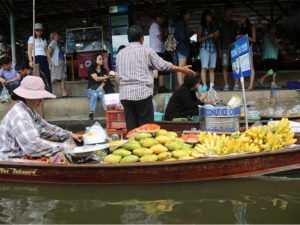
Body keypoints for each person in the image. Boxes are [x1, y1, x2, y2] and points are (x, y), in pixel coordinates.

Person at [116, 25, 196, 132]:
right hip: (142, 94)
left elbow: (118, 75)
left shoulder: (120, 54)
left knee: (132, 130)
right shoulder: (147, 51)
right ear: (142, 38)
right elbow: (163, 65)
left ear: (128, 39)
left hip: (125, 96)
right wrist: (182, 69)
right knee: (147, 131)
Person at [0, 75, 82, 160]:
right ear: (27, 96)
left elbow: (46, 127)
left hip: (23, 154)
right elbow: (33, 146)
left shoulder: (29, 111)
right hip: (10, 161)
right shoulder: (20, 115)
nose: (41, 99)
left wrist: (69, 134)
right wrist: (65, 147)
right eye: (37, 96)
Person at [87, 54, 114, 120]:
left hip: (100, 89)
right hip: (91, 89)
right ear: (95, 60)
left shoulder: (103, 69)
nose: (102, 60)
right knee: (95, 94)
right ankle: (91, 112)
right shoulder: (91, 69)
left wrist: (100, 87)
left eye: (102, 59)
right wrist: (106, 77)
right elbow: (96, 78)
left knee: (101, 94)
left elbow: (104, 81)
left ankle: (107, 112)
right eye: (100, 59)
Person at [198, 9, 219, 90]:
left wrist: (216, 36)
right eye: (209, 15)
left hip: (213, 49)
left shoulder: (212, 26)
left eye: (211, 16)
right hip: (204, 48)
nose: (210, 17)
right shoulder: (201, 27)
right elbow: (198, 39)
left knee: (212, 68)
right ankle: (204, 86)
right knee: (204, 67)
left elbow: (216, 40)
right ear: (205, 17)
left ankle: (212, 86)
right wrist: (209, 36)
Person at [28, 23, 52, 92]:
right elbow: (29, 50)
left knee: (46, 75)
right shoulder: (31, 38)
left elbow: (46, 50)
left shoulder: (43, 39)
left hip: (44, 59)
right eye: (37, 30)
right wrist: (30, 60)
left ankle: (47, 91)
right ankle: (39, 92)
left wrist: (50, 60)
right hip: (36, 58)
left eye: (40, 30)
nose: (39, 32)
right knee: (38, 75)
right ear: (34, 31)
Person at [173, 8, 195, 86]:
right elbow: (183, 37)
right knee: (181, 67)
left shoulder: (180, 23)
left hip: (181, 48)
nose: (190, 15)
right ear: (184, 15)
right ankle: (181, 85)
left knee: (182, 67)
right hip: (182, 48)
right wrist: (191, 33)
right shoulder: (181, 23)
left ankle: (182, 84)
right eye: (189, 14)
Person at [219, 4, 238, 91]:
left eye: (232, 10)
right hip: (224, 47)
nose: (231, 12)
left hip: (234, 47)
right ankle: (226, 84)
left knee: (235, 66)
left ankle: (236, 84)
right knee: (225, 66)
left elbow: (236, 36)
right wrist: (219, 49)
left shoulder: (234, 23)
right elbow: (219, 37)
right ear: (226, 11)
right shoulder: (221, 23)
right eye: (230, 10)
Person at [149, 12, 169, 93]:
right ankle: (158, 87)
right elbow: (160, 37)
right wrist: (167, 36)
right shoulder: (155, 25)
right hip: (156, 51)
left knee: (160, 69)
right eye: (162, 18)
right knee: (158, 70)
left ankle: (161, 87)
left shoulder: (157, 26)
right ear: (158, 18)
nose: (163, 20)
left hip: (158, 50)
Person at [236, 15, 256, 90]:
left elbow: (254, 40)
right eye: (240, 18)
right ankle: (242, 85)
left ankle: (251, 85)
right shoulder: (240, 28)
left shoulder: (252, 27)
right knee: (241, 67)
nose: (240, 19)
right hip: (241, 48)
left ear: (246, 18)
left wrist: (244, 36)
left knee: (251, 66)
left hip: (248, 47)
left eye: (242, 17)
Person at [258, 24, 281, 88]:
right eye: (274, 28)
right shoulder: (271, 34)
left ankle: (273, 83)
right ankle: (262, 79)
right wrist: (280, 47)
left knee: (273, 70)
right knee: (273, 70)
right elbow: (274, 43)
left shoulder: (265, 36)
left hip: (269, 55)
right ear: (271, 29)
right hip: (271, 55)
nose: (275, 30)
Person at [48, 32, 68, 97]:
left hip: (61, 63)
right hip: (57, 63)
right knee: (54, 78)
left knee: (63, 78)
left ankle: (64, 93)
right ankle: (47, 91)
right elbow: (49, 52)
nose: (59, 37)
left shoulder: (56, 44)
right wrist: (50, 61)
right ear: (54, 36)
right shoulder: (53, 43)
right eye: (57, 35)